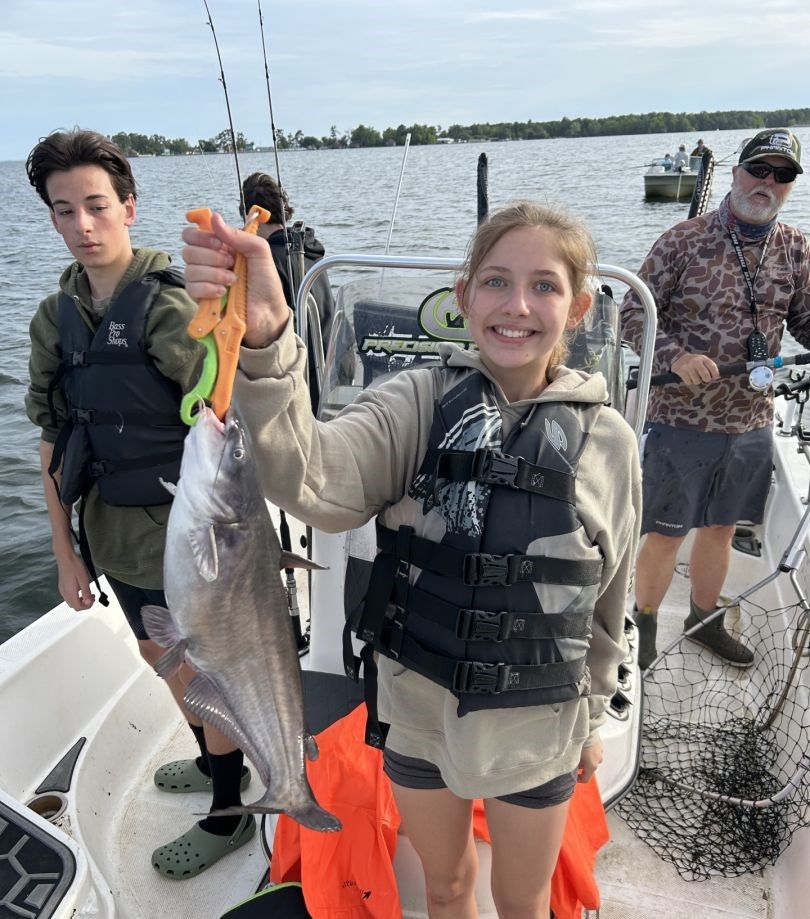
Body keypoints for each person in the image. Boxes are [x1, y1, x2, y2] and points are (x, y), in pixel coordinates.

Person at [182, 200, 641, 917]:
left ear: (578, 306)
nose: (517, 305)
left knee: (523, 899)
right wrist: (268, 334)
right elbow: (315, 479)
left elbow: (607, 597)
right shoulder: (416, 402)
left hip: (538, 726)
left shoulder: (608, 437)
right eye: (494, 282)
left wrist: (588, 722)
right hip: (418, 712)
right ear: (463, 297)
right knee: (446, 884)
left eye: (545, 285)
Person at [24, 129, 255, 878]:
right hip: (112, 536)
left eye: (97, 205)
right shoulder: (52, 320)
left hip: (186, 540)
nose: (83, 225)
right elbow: (53, 444)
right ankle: (213, 760)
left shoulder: (169, 306)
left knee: (202, 674)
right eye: (65, 211)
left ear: (129, 205)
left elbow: (227, 416)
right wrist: (65, 555)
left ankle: (229, 812)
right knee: (163, 661)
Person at [621, 127, 810, 670]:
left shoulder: (797, 248)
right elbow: (634, 313)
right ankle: (645, 621)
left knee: (723, 527)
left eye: (783, 175)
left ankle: (703, 620)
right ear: (735, 172)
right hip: (682, 419)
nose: (768, 183)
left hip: (751, 418)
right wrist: (676, 356)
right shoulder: (682, 240)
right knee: (665, 531)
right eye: (759, 170)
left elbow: (803, 320)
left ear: (791, 186)